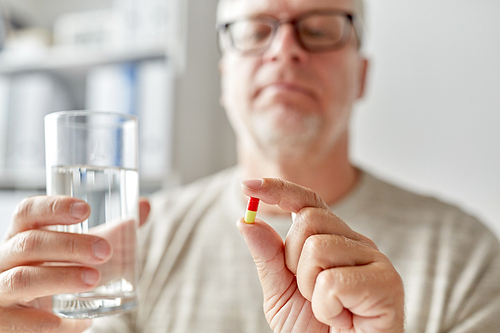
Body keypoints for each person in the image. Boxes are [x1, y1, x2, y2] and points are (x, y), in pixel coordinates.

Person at [1, 0, 499, 332]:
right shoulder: (134, 247)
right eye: (257, 30)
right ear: (225, 78)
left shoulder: (465, 258)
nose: (285, 50)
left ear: (362, 75)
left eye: (321, 29)